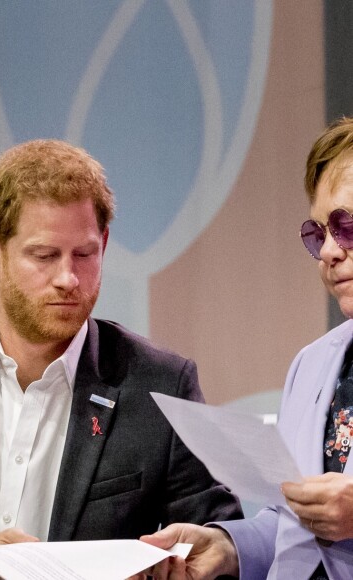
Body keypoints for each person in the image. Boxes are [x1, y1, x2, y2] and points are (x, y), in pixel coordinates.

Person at [0, 139, 242, 579]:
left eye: (85, 254)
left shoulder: (161, 384)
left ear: (105, 244)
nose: (68, 278)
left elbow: (215, 530)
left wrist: (207, 554)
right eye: (44, 255)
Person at [138, 118, 353, 579]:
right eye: (318, 234)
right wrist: (225, 545)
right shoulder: (313, 364)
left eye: (346, 226)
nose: (331, 251)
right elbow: (290, 527)